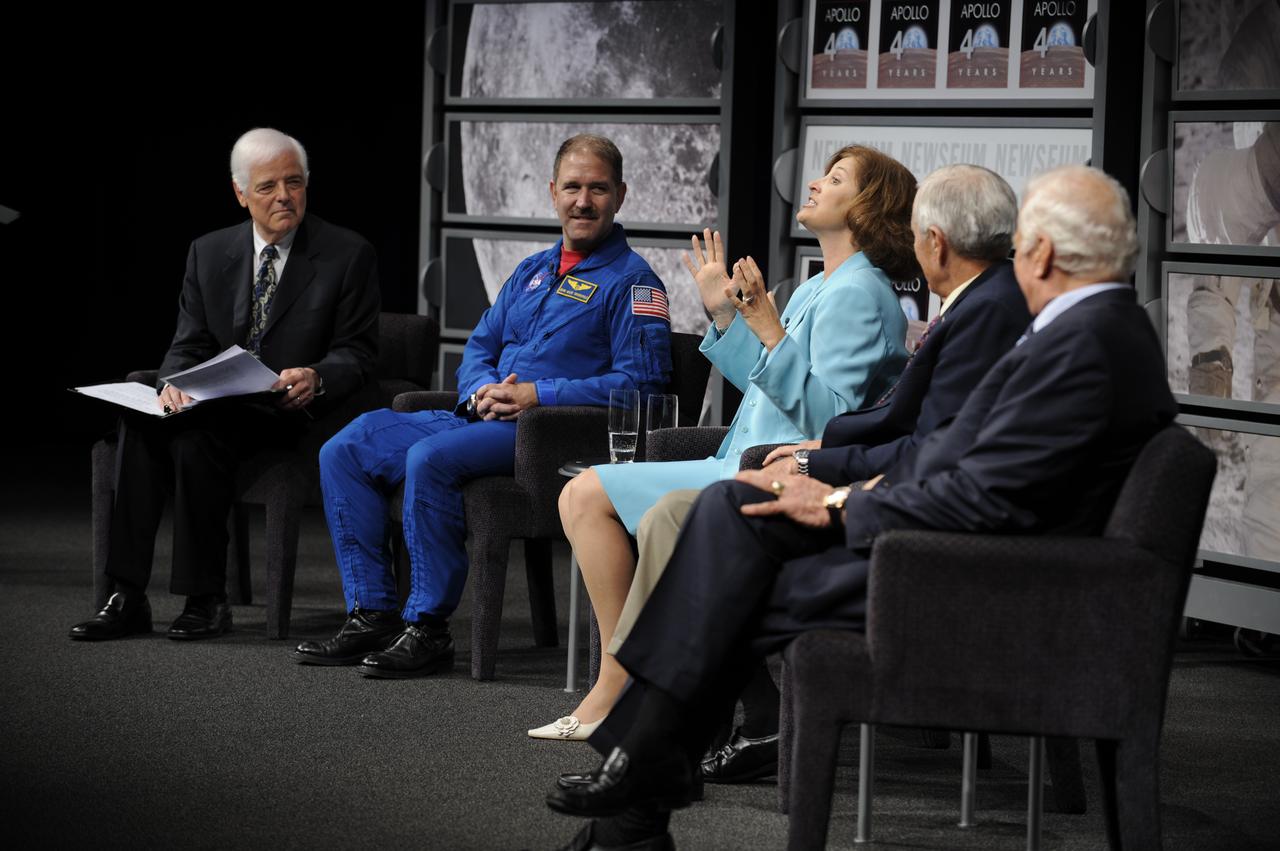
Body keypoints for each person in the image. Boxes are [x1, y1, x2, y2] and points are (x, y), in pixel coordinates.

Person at [542, 164, 1178, 850]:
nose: (1010, 263)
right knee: (735, 520)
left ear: (1045, 254)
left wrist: (842, 500)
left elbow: (979, 488)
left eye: (1018, 247)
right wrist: (840, 483)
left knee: (734, 551)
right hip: (976, 553)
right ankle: (642, 788)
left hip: (981, 584)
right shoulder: (1099, 330)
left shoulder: (1081, 343)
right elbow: (956, 454)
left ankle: (639, 781)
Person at [606, 164, 1033, 783]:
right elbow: (898, 427)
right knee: (695, 512)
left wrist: (828, 480)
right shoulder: (971, 305)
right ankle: (656, 740)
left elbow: (915, 442)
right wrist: (734, 321)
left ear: (935, 241)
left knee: (707, 518)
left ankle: (654, 738)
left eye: (918, 234)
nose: (912, 247)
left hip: (908, 535)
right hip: (868, 488)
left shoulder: (971, 310)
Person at [533, 145, 917, 740]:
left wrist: (764, 325)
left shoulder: (859, 293)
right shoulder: (825, 284)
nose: (814, 184)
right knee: (582, 497)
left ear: (867, 207)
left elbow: (830, 420)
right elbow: (769, 387)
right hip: (741, 459)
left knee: (585, 496)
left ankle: (619, 679)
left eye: (835, 179)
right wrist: (724, 315)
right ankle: (632, 678)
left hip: (782, 475)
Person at [293, 134, 672, 678]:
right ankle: (372, 612)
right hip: (480, 415)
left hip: (548, 435)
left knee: (430, 457)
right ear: (552, 192)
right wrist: (481, 390)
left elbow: (643, 387)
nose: (583, 201)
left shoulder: (633, 282)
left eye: (597, 188)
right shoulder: (531, 271)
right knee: (345, 448)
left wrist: (534, 395)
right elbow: (480, 347)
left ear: (620, 196)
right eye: (572, 187)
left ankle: (427, 627)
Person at [68, 127, 381, 642]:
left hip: (292, 411)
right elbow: (188, 343)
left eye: (295, 182)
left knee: (198, 433)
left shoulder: (348, 254)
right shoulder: (209, 252)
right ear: (240, 193)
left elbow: (359, 352)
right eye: (268, 187)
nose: (284, 196)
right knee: (145, 410)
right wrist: (172, 385)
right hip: (221, 405)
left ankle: (205, 600)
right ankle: (126, 595)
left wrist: (317, 376)